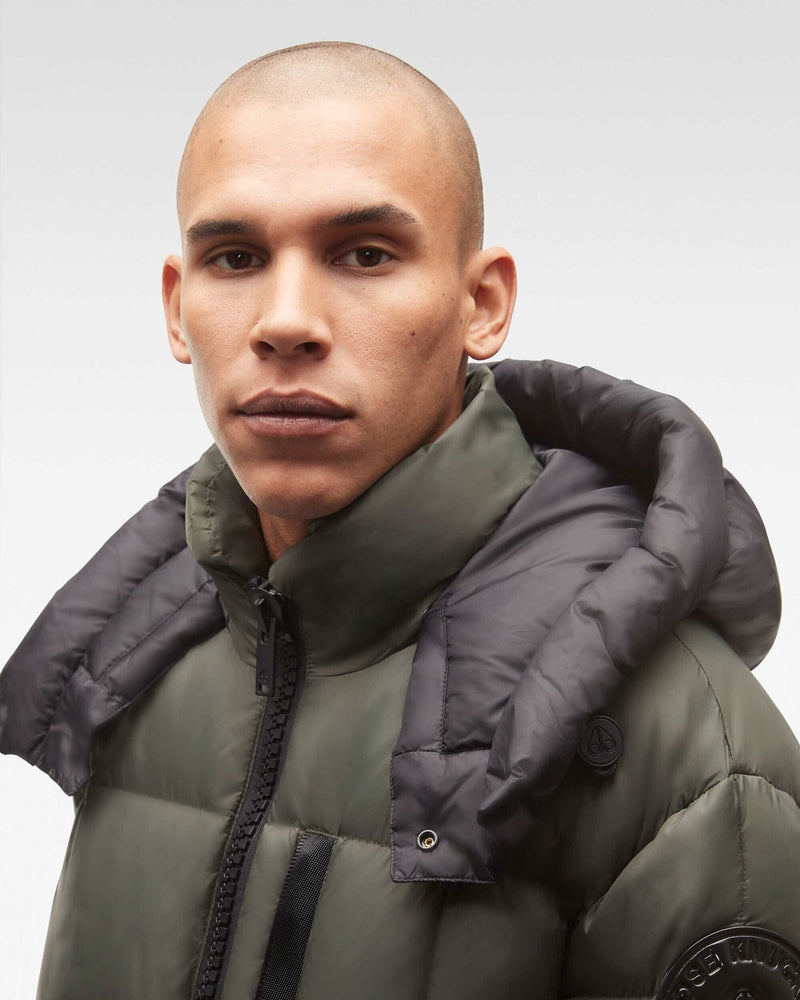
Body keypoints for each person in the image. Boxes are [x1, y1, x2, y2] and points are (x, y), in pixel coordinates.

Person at [1, 40, 799, 1000]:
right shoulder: (131, 659)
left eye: (365, 254)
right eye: (236, 258)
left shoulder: (687, 748)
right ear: (178, 310)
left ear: (482, 304)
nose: (284, 321)